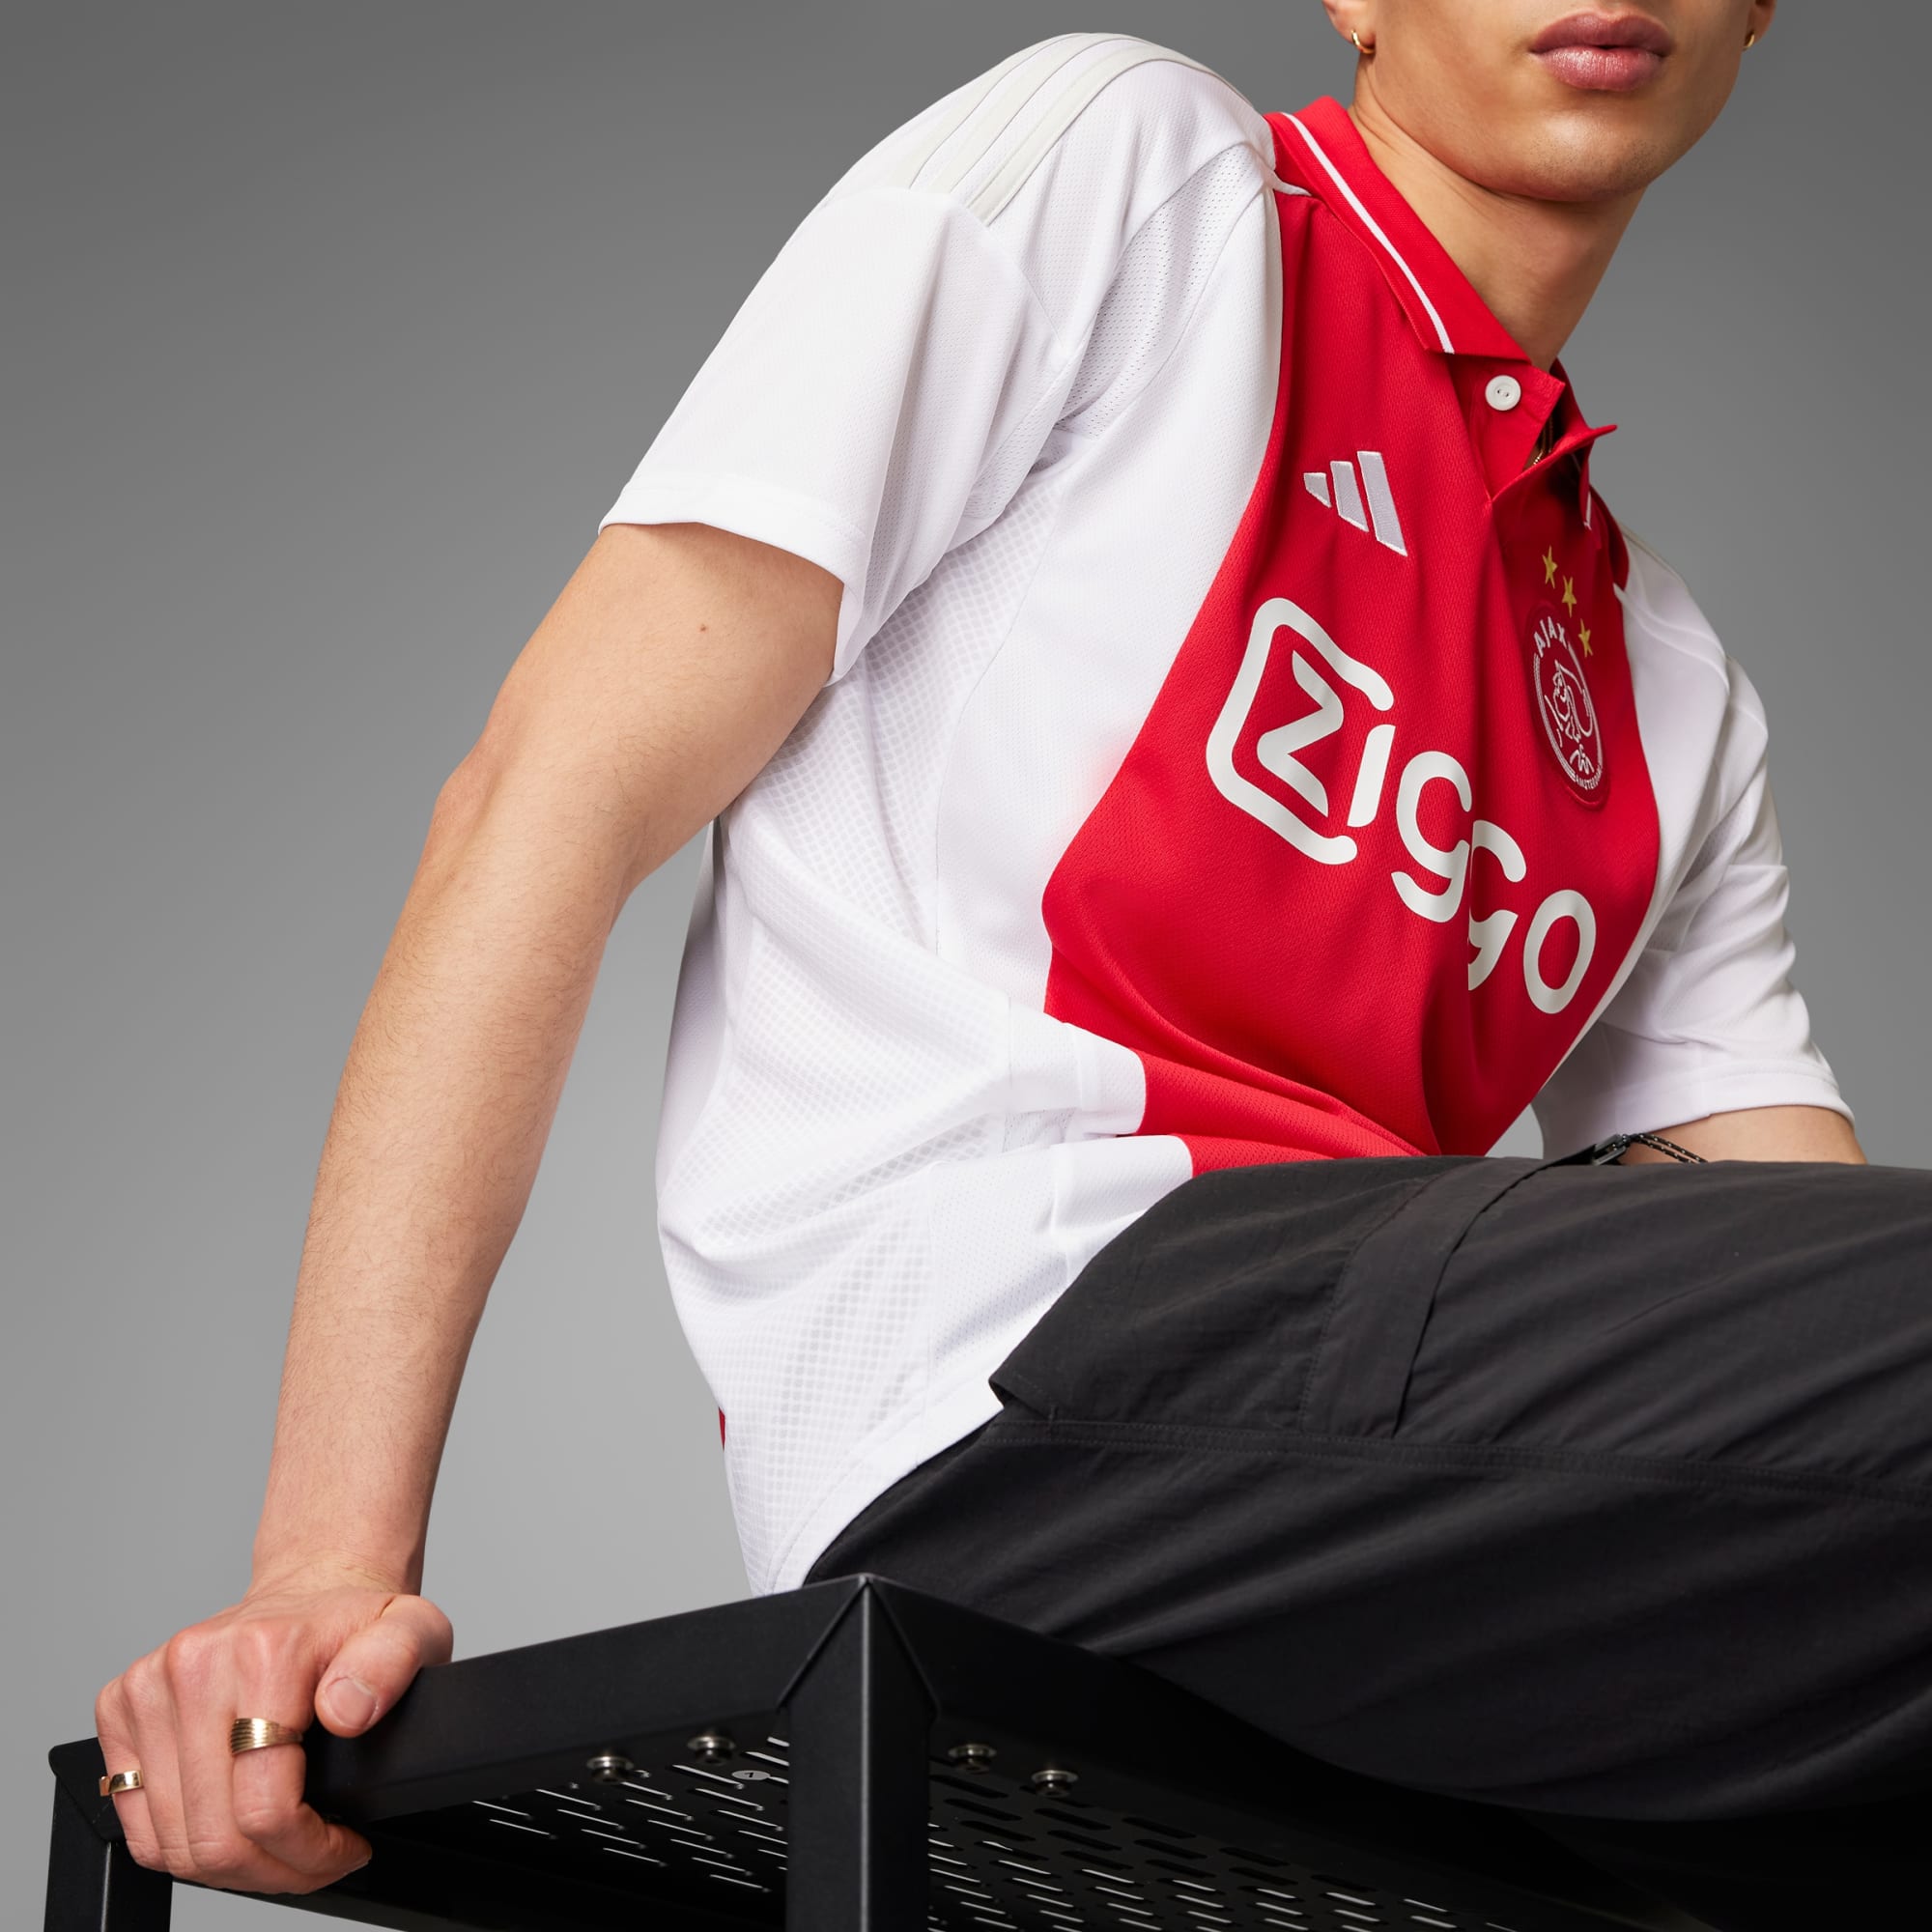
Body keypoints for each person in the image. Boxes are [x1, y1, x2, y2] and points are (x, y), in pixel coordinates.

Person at [92, 3, 1930, 1924]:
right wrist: (324, 1561)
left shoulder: (1665, 679)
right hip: (1020, 1364)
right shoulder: (1137, 174)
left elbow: (1792, 1269)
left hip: (1383, 1515)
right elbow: (548, 795)